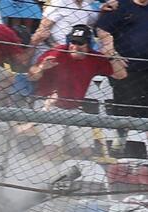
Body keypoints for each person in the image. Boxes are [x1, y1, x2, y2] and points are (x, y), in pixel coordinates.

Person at [28, 24, 127, 156]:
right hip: (49, 104)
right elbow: (31, 76)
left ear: (88, 45)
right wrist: (41, 67)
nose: (75, 46)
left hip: (74, 108)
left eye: (80, 43)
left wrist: (111, 56)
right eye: (73, 42)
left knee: (87, 152)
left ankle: (76, 172)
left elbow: (121, 75)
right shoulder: (58, 52)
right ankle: (44, 171)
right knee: (51, 150)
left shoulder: (94, 57)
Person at [97, 0, 148, 155]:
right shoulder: (119, 6)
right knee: (124, 112)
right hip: (126, 70)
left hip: (147, 70)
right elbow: (102, 29)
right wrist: (112, 53)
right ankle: (118, 150)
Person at [29, 0, 99, 58]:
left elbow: (96, 22)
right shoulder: (60, 3)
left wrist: (103, 10)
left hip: (75, 51)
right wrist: (58, 48)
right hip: (52, 50)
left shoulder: (86, 6)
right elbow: (43, 30)